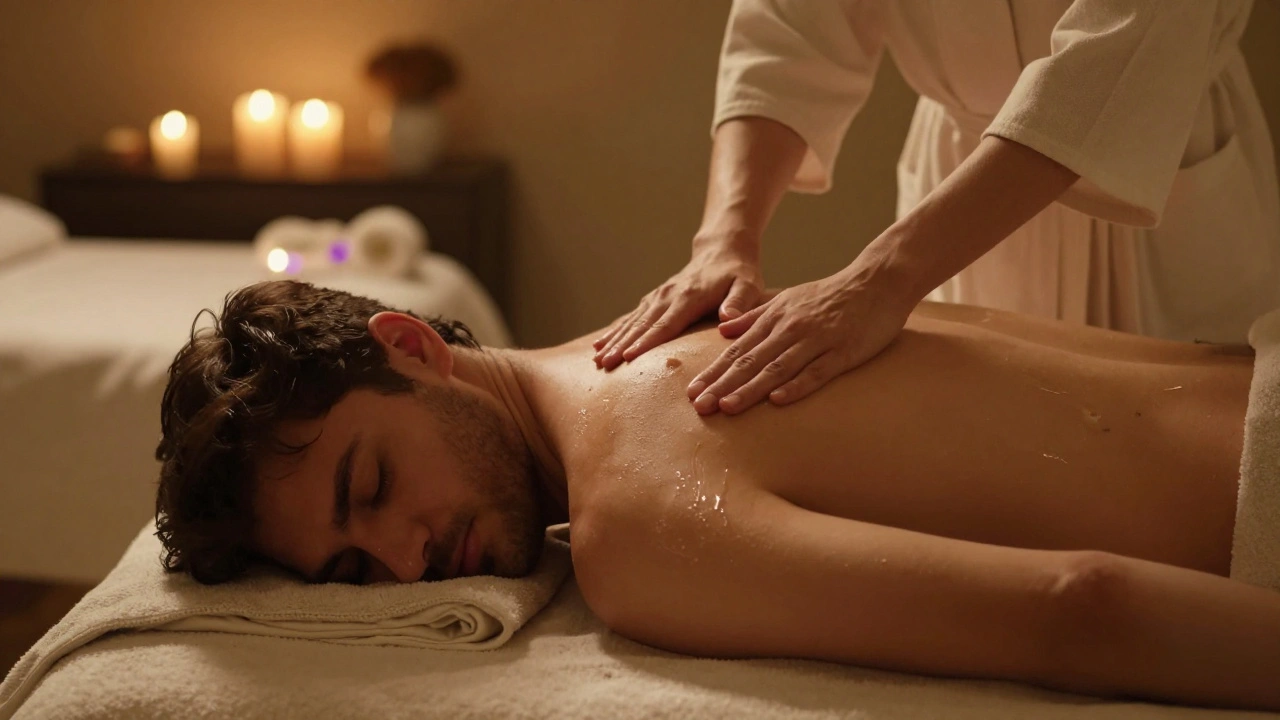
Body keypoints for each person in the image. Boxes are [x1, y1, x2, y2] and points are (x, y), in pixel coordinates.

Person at [154, 280, 1280, 711]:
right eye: (355, 572)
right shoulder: (676, 322)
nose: (408, 562)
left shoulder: (632, 523)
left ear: (409, 346)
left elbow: (1077, 605)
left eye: (372, 485)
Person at [594, 0, 1280, 417]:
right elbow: (785, 33)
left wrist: (881, 278)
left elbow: (1118, 52)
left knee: (1190, 477)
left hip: (1151, 159)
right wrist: (724, 238)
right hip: (952, 181)